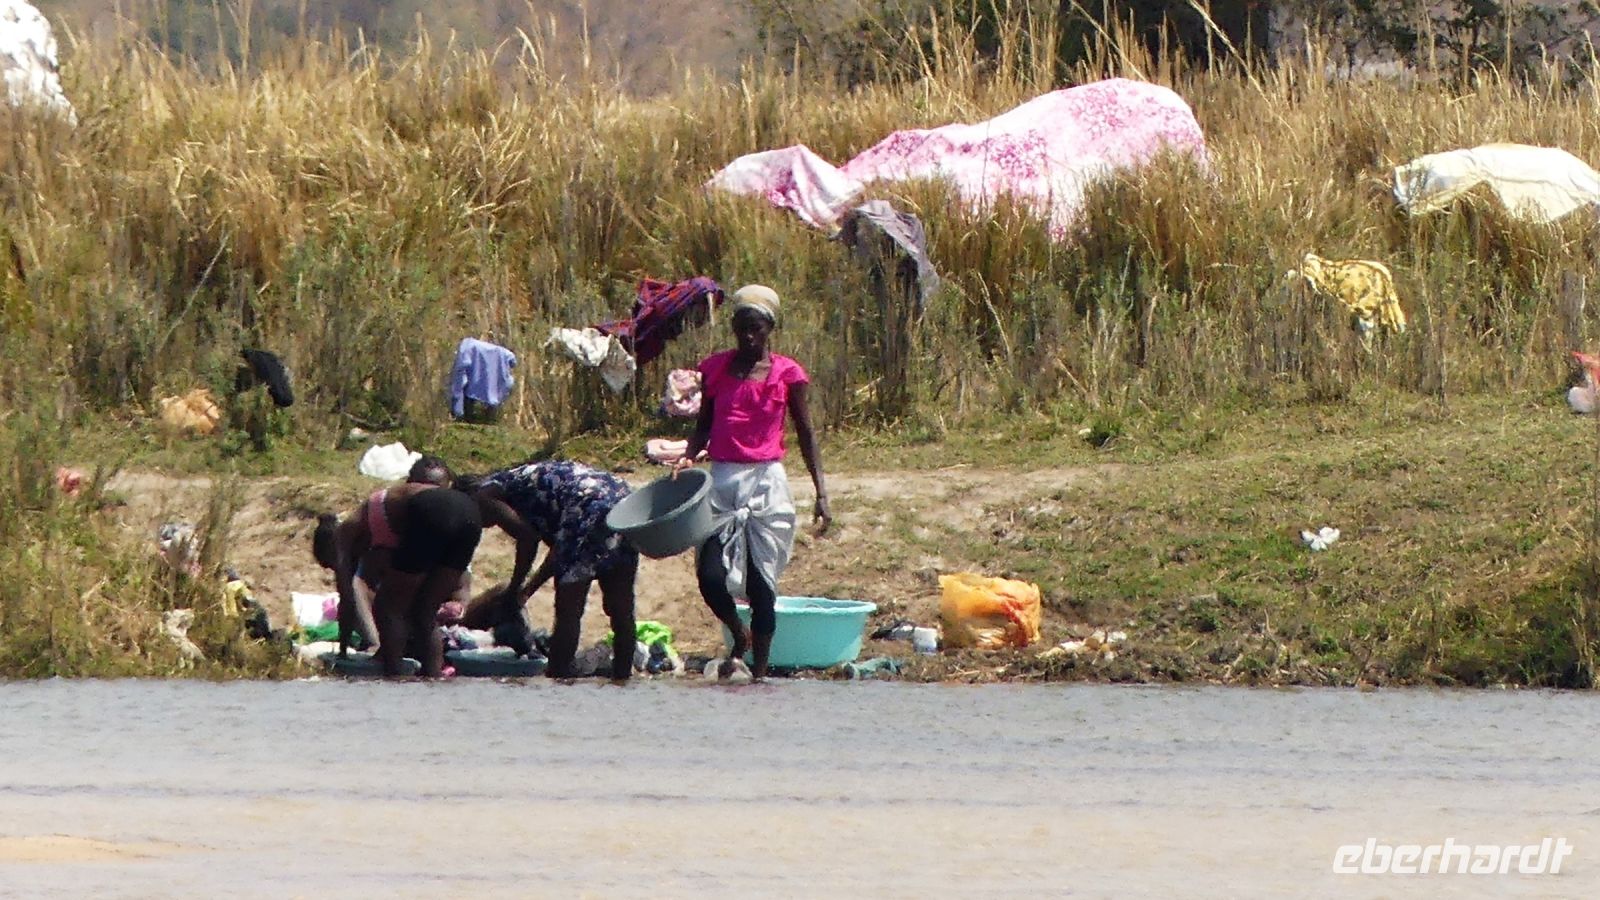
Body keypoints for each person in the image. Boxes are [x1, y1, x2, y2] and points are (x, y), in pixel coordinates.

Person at [674, 284, 830, 680]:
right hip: (722, 480)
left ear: (768, 330)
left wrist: (821, 493)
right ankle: (738, 636)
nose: (747, 337)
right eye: (741, 328)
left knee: (763, 588)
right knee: (710, 577)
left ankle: (760, 671)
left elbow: (807, 433)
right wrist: (689, 455)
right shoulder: (716, 369)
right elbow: (704, 424)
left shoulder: (786, 374)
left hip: (766, 483)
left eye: (755, 329)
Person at [457, 460, 638, 682]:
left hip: (587, 502)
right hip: (624, 499)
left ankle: (559, 680)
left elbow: (527, 538)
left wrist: (514, 588)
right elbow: (560, 552)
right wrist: (527, 591)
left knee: (568, 611)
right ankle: (623, 678)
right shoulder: (522, 487)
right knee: (621, 608)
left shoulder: (484, 496)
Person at [315, 456, 483, 677]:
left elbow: (346, 594)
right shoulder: (391, 515)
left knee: (388, 606)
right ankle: (434, 679)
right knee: (425, 611)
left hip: (434, 511)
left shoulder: (348, 532)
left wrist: (343, 648)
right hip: (470, 513)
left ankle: (395, 678)